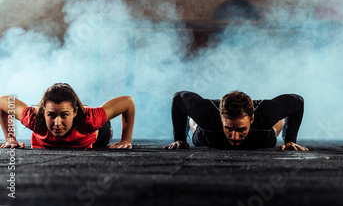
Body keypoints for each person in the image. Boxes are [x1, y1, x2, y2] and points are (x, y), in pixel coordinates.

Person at [0, 83, 135, 149]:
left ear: (75, 112)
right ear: (43, 111)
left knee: (100, 127)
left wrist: (126, 140)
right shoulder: (34, 118)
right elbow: (2, 102)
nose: (57, 123)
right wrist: (10, 138)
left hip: (96, 135)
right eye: (51, 115)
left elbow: (127, 102)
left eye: (64, 115)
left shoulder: (91, 119)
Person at [165, 90, 308, 151]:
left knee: (275, 124)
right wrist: (180, 138)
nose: (234, 137)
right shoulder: (206, 114)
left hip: (258, 135)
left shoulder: (267, 113)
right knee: (197, 123)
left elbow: (298, 101)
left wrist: (290, 140)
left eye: (240, 129)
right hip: (210, 134)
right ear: (221, 118)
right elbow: (179, 98)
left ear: (251, 119)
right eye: (229, 128)